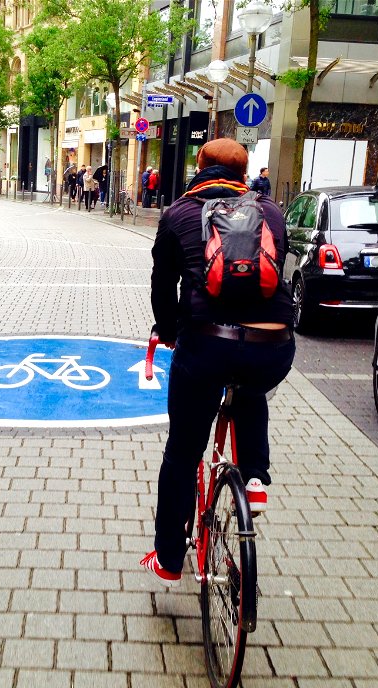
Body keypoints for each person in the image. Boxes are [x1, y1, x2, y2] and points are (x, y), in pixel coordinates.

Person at [141, 138, 295, 587]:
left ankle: (169, 557)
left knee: (183, 451)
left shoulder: (178, 214)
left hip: (206, 345)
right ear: (245, 173)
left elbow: (160, 284)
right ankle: (255, 478)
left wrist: (168, 331)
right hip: (273, 345)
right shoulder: (271, 212)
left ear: (199, 165)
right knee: (251, 386)